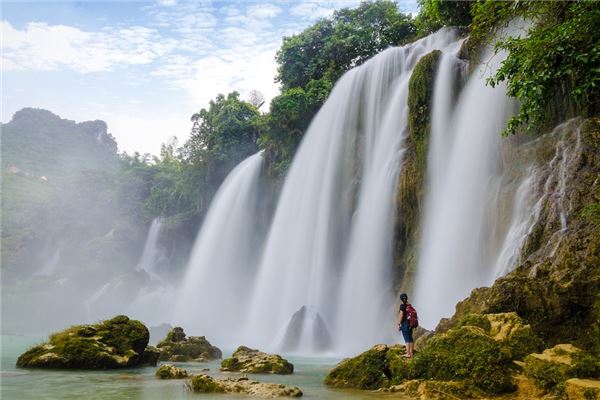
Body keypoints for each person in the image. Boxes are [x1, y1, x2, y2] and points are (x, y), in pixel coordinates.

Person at [397, 293, 414, 358]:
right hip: (411, 324)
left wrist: (398, 324)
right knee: (410, 338)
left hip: (405, 324)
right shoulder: (409, 305)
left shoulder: (402, 306)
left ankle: (408, 353)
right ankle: (411, 353)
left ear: (401, 299)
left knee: (407, 339)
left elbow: (401, 315)